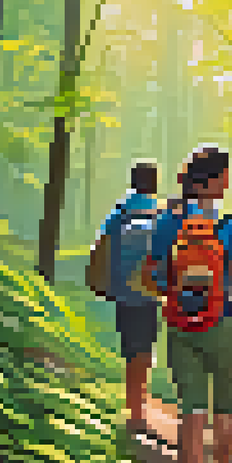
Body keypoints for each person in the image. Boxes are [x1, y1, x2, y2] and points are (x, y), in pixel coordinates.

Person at [142, 146, 232, 463]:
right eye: (225, 174)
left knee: (191, 409)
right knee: (225, 411)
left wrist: (174, 295)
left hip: (181, 325)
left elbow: (154, 275)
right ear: (215, 182)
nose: (228, 180)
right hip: (224, 324)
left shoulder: (167, 223)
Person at [96, 161, 163, 438]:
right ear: (154, 183)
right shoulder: (160, 212)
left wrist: (104, 283)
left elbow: (102, 246)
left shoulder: (120, 211)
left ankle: (134, 411)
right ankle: (140, 412)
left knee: (131, 350)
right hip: (151, 291)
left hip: (124, 291)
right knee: (145, 350)